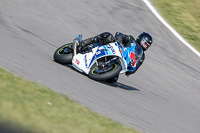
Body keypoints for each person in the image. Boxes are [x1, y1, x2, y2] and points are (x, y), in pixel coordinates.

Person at [78, 32, 153, 76]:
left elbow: (133, 70)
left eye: (148, 46)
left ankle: (101, 69)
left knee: (113, 80)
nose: (146, 46)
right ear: (141, 39)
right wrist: (120, 39)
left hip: (121, 64)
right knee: (108, 36)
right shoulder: (131, 39)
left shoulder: (141, 57)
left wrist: (130, 70)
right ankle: (85, 43)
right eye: (145, 44)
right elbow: (119, 34)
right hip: (113, 50)